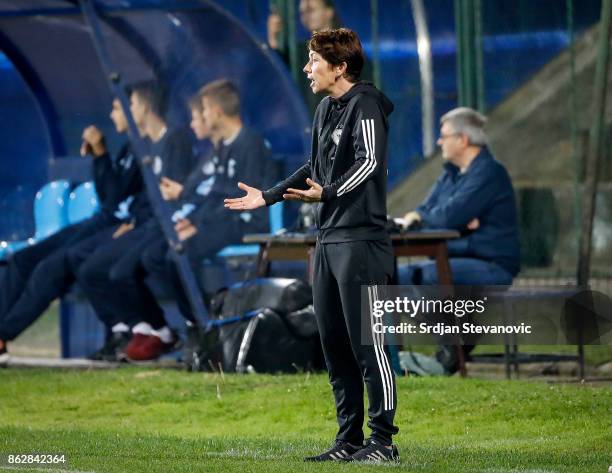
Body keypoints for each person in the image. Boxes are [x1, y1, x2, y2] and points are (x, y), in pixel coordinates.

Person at [225, 28, 399, 463]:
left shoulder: (367, 103)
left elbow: (370, 162)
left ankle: (383, 442)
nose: (307, 68)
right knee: (334, 343)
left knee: (368, 343)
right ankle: (349, 440)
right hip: (327, 241)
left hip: (362, 241)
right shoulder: (325, 108)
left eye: (314, 60)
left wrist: (330, 192)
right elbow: (314, 166)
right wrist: (267, 195)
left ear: (340, 67)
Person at [119, 79, 274, 362]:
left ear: (214, 111)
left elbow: (241, 200)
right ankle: (198, 322)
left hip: (245, 223)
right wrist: (195, 221)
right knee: (168, 255)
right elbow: (216, 197)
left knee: (179, 254)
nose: (198, 118)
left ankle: (206, 325)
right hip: (221, 220)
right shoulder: (224, 146)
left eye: (201, 111)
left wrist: (198, 225)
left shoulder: (249, 143)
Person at [0, 98, 143, 360]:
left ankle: (3, 334)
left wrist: (101, 154)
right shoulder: (128, 149)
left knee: (50, 268)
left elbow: (120, 200)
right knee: (22, 259)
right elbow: (108, 197)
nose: (112, 115)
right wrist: (100, 157)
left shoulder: (148, 150)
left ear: (141, 109)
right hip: (102, 219)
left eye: (117, 108)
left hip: (118, 225)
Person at [70, 80, 196, 361]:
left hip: (169, 227)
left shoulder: (175, 140)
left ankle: (182, 328)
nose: (125, 112)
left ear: (145, 108)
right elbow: (124, 196)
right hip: (148, 225)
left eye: (131, 105)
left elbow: (176, 194)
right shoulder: (143, 147)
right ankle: (148, 330)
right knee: (93, 266)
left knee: (124, 269)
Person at [398, 107, 521, 373]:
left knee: (426, 276)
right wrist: (448, 220)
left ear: (463, 139)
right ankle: (454, 340)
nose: (440, 142)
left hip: (492, 265)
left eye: (444, 136)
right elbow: (425, 211)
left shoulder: (489, 172)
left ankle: (455, 346)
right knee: (393, 274)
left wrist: (445, 219)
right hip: (457, 258)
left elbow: (445, 217)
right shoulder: (451, 174)